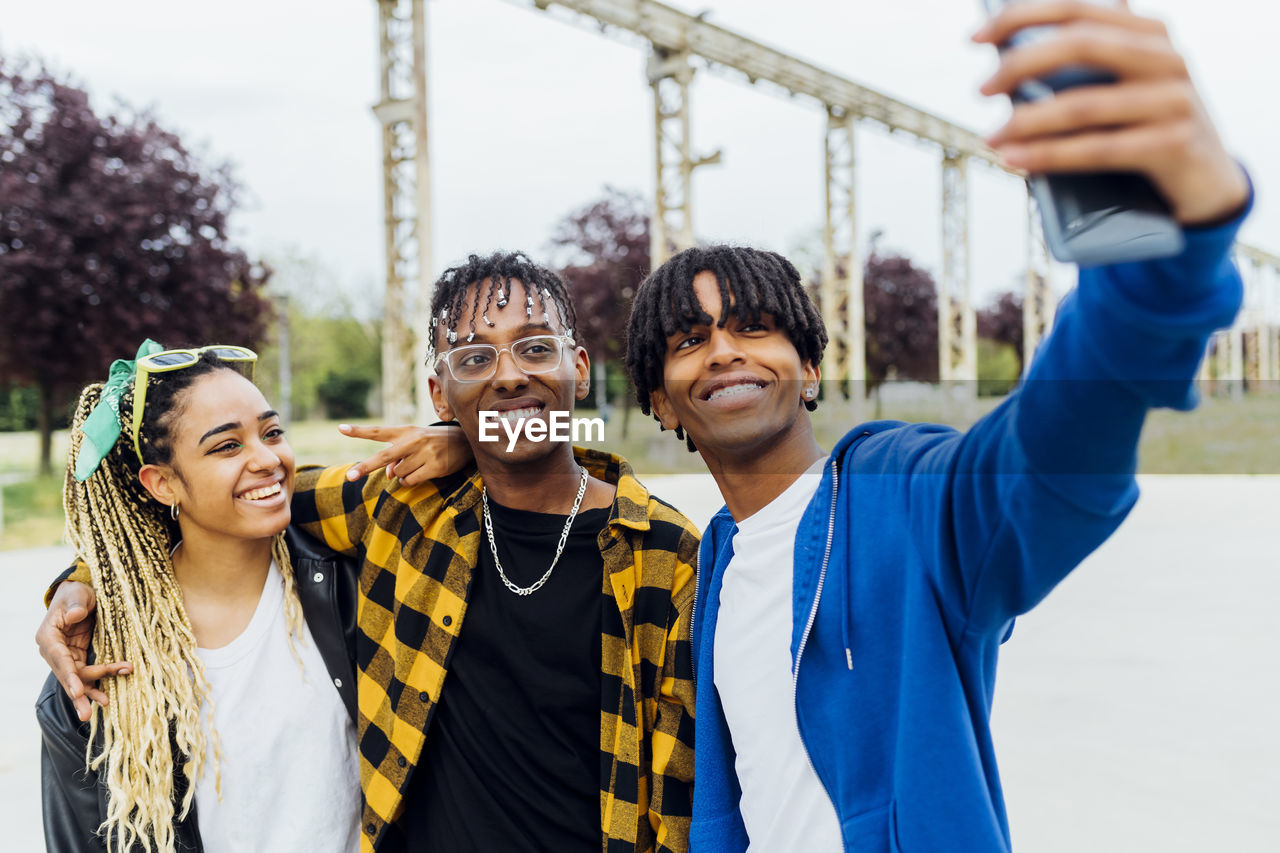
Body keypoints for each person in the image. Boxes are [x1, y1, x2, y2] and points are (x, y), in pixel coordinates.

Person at [621, 4, 1251, 852]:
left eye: (754, 327)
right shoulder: (718, 561)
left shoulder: (902, 499)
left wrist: (1157, 268)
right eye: (688, 342)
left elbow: (1048, 460)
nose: (723, 352)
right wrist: (471, 446)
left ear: (810, 366)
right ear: (662, 403)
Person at [39, 252, 699, 853]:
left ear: (578, 367)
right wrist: (88, 578)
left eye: (534, 347)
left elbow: (683, 797)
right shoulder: (402, 506)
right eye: (472, 358)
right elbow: (219, 506)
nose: (507, 374)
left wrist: (470, 437)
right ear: (440, 395)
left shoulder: (665, 555)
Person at [39, 343, 364, 853]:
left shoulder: (351, 589)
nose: (267, 459)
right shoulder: (97, 662)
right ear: (162, 483)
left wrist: (457, 440)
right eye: (226, 446)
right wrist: (79, 580)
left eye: (271, 432)